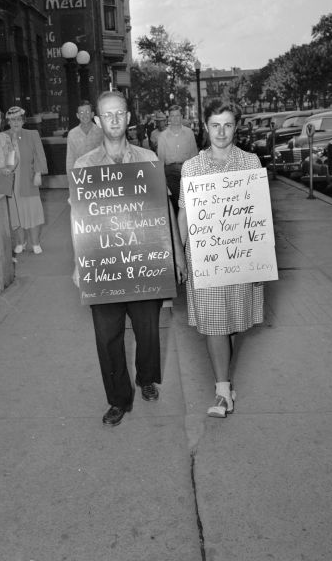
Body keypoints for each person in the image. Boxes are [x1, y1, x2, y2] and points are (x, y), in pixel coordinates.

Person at [72, 90, 187, 427]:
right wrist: (79, 263)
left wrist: (177, 255)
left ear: (128, 116)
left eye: (119, 113)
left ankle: (147, 377)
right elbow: (79, 218)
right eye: (107, 115)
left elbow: (166, 209)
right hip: (105, 264)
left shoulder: (149, 160)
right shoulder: (85, 165)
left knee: (148, 330)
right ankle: (118, 399)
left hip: (145, 261)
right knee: (107, 336)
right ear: (97, 120)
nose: (114, 120)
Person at [178, 100, 264, 418]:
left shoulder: (250, 162)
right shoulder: (192, 167)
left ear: (236, 126)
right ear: (205, 126)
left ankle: (224, 369)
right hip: (205, 258)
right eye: (215, 125)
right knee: (214, 323)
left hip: (240, 255)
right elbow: (185, 213)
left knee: (232, 322)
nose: (221, 131)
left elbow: (258, 213)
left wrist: (261, 260)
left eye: (227, 124)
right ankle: (223, 391)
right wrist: (180, 257)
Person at [5, 106, 48, 254]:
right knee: (15, 212)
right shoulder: (4, 136)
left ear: (23, 120)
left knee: (33, 211)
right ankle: (20, 242)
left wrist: (38, 173)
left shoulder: (32, 134)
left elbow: (39, 155)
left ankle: (35, 243)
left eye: (18, 119)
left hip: (28, 178)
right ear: (8, 122)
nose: (15, 123)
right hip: (10, 181)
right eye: (12, 120)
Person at [157, 104, 198, 213]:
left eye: (178, 115)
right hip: (171, 172)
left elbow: (194, 155)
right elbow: (160, 160)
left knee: (189, 201)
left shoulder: (189, 133)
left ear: (182, 116)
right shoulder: (163, 136)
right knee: (178, 200)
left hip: (187, 170)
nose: (175, 118)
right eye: (172, 116)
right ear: (169, 118)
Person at [65, 100, 103, 178]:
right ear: (77, 115)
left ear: (92, 114)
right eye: (81, 113)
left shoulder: (101, 131)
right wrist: (70, 178)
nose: (84, 115)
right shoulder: (72, 134)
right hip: (80, 175)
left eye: (87, 112)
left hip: (99, 174)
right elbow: (70, 159)